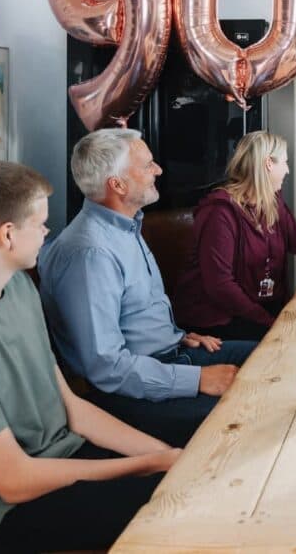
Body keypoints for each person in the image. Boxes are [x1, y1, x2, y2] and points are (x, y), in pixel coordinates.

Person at [0, 162, 179, 554]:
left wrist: (163, 453)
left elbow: (71, 407)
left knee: (192, 478)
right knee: (173, 507)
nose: (47, 232)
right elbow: (14, 480)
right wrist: (146, 465)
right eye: (40, 223)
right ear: (7, 235)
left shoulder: (20, 288)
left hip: (61, 460)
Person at [38, 128, 256, 449]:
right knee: (250, 414)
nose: (159, 170)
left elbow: (134, 313)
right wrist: (198, 379)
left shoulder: (125, 224)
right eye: (147, 165)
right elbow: (107, 369)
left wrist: (174, 334)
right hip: (130, 394)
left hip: (169, 356)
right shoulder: (91, 253)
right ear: (118, 185)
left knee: (267, 358)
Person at [173, 131, 296, 340]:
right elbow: (221, 287)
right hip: (218, 320)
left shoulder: (271, 201)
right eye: (285, 163)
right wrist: (269, 322)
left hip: (256, 313)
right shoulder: (220, 212)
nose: (287, 170)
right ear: (269, 163)